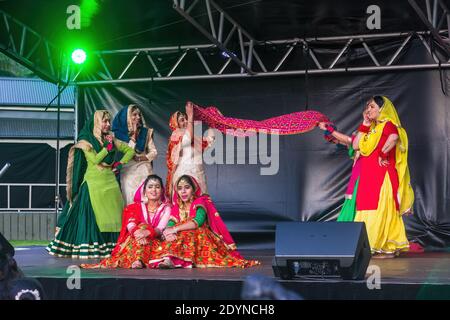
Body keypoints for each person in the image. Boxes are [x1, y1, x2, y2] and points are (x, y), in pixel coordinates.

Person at [47, 110, 135, 259]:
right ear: (96, 123)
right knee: (93, 218)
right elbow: (94, 160)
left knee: (115, 216)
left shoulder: (111, 139)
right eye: (104, 121)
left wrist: (120, 164)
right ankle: (91, 247)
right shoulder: (86, 141)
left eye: (109, 121)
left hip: (110, 184)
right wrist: (107, 147)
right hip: (93, 185)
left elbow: (129, 150)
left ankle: (112, 247)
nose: (107, 124)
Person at [148, 175, 260, 269]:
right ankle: (168, 259)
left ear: (193, 189)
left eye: (187, 187)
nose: (183, 191)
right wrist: (168, 231)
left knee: (186, 232)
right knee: (174, 236)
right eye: (180, 188)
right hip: (182, 235)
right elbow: (171, 223)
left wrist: (175, 229)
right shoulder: (177, 206)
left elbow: (197, 222)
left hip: (200, 234)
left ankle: (174, 260)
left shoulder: (200, 201)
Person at [352, 96, 414, 258]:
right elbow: (356, 145)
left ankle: (386, 247)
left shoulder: (388, 125)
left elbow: (394, 138)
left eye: (372, 107)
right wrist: (364, 125)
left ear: (382, 109)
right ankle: (370, 245)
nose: (368, 110)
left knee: (381, 208)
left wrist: (382, 153)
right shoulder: (370, 128)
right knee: (366, 207)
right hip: (367, 176)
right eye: (367, 107)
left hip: (382, 175)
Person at [80, 174, 171, 269]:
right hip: (137, 238)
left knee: (144, 227)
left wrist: (147, 232)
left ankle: (138, 259)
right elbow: (130, 224)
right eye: (150, 187)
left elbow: (160, 228)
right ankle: (137, 259)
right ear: (144, 191)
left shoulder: (166, 208)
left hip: (156, 240)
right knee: (141, 227)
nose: (154, 190)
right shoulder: (135, 207)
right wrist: (139, 233)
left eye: (157, 187)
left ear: (162, 190)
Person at [317, 105, 371, 222]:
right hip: (358, 170)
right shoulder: (361, 130)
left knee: (360, 198)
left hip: (365, 171)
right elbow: (346, 142)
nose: (367, 114)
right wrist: (329, 130)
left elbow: (348, 140)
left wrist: (329, 129)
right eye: (366, 112)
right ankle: (351, 225)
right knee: (353, 197)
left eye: (370, 110)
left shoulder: (370, 131)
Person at [166, 102, 215, 198]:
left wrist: (212, 124)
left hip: (198, 174)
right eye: (181, 120)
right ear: (176, 124)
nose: (185, 121)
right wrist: (190, 116)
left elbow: (209, 140)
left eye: (185, 118)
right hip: (184, 175)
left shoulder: (195, 138)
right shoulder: (176, 136)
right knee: (185, 205)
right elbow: (188, 139)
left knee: (199, 204)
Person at [112, 104, 158, 205]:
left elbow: (154, 152)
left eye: (139, 115)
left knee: (146, 194)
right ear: (127, 117)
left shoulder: (145, 133)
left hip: (143, 166)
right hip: (127, 168)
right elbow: (128, 152)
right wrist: (132, 137)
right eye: (134, 115)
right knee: (129, 194)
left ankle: (146, 219)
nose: (138, 117)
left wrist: (142, 158)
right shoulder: (119, 135)